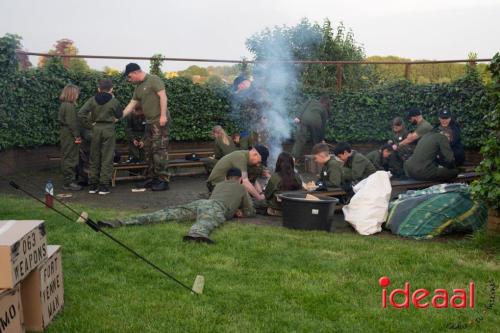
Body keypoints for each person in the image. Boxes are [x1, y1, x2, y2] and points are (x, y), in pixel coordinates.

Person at [98, 168, 256, 244]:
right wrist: (240, 212)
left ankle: (120, 221)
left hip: (201, 204)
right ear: (240, 180)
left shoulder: (219, 184)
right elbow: (250, 211)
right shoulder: (242, 188)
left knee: (165, 213)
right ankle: (196, 235)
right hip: (216, 207)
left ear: (227, 177)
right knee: (206, 222)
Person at [121, 63, 170, 191]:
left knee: (159, 150)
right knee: (148, 150)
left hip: (159, 121)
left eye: (130, 76)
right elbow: (131, 104)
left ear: (136, 72)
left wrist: (163, 116)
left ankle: (163, 180)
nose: (129, 79)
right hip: (149, 122)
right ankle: (151, 178)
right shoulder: (138, 88)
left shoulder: (154, 79)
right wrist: (118, 116)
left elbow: (163, 97)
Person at [78, 79, 122, 195]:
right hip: (108, 129)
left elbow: (81, 113)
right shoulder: (114, 101)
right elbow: (120, 115)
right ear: (111, 89)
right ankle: (103, 187)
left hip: (96, 129)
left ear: (99, 88)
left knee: (94, 157)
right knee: (107, 158)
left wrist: (89, 125)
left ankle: (93, 185)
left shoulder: (92, 100)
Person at [58, 84, 82, 191]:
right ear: (72, 94)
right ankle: (69, 182)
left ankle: (69, 181)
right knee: (70, 158)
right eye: (76, 93)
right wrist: (77, 136)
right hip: (69, 135)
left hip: (66, 133)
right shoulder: (69, 106)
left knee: (67, 156)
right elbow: (72, 123)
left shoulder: (64, 105)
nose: (77, 95)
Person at [264, 152, 302, 216]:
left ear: (278, 163)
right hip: (294, 207)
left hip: (277, 208)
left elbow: (267, 195)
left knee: (256, 202)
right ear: (292, 163)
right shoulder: (297, 176)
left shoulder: (275, 177)